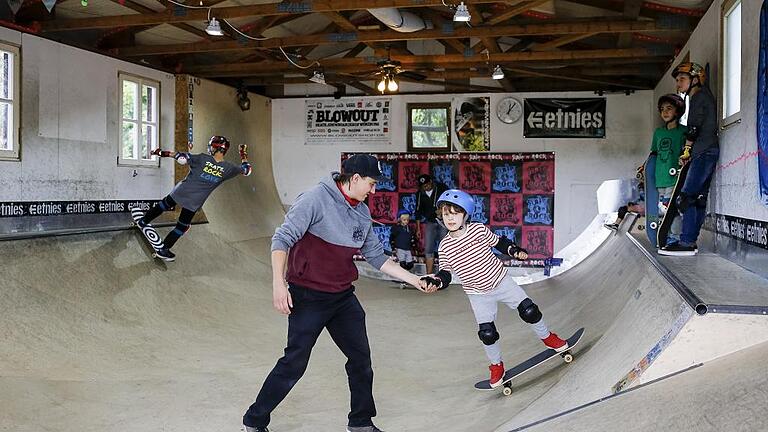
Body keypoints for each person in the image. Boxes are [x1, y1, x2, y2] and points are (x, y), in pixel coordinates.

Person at [242, 154, 437, 432]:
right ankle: (254, 421)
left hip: (342, 297)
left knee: (360, 360)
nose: (374, 190)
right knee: (294, 363)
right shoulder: (314, 199)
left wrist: (414, 279)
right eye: (370, 184)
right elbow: (281, 239)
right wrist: (278, 284)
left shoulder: (362, 212)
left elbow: (375, 256)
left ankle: (360, 422)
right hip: (308, 296)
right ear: (354, 179)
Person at [423, 189, 569, 388]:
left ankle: (548, 338)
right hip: (477, 294)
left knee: (529, 310)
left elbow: (500, 243)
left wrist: (515, 250)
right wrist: (437, 282)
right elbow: (446, 273)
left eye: (455, 213)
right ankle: (496, 365)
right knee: (487, 333)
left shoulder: (478, 230)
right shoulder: (445, 246)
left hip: (501, 282)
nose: (450, 218)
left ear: (465, 214)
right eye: (446, 214)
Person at [135, 136, 251, 261]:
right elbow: (247, 170)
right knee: (182, 226)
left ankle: (143, 221)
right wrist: (243, 154)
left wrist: (160, 153)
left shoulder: (202, 158)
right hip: (194, 201)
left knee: (163, 205)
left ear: (214, 148)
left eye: (211, 146)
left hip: (181, 191)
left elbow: (181, 158)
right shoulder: (229, 168)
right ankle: (164, 250)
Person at [659, 62, 720, 256]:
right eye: (677, 80)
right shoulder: (703, 96)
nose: (678, 84)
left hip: (702, 152)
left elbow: (693, 130)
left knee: (686, 197)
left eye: (682, 79)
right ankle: (689, 242)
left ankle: (686, 242)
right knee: (698, 198)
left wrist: (686, 152)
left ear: (695, 79)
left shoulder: (698, 97)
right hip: (708, 150)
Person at [646, 94, 688, 245]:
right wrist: (644, 168)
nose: (665, 112)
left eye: (669, 108)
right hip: (660, 177)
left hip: (674, 177)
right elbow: (654, 154)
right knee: (663, 209)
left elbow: (688, 151)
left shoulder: (684, 131)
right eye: (662, 109)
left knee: (671, 209)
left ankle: (675, 238)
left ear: (677, 111)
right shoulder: (658, 132)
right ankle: (666, 236)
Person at [414, 173, 448, 274]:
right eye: (424, 186)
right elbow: (418, 211)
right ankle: (429, 275)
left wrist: (442, 209)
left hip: (444, 222)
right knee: (428, 248)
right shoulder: (420, 194)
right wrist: (418, 229)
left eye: (427, 185)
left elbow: (451, 201)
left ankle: (444, 274)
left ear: (431, 182)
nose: (426, 187)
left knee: (444, 247)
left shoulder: (441, 188)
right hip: (430, 221)